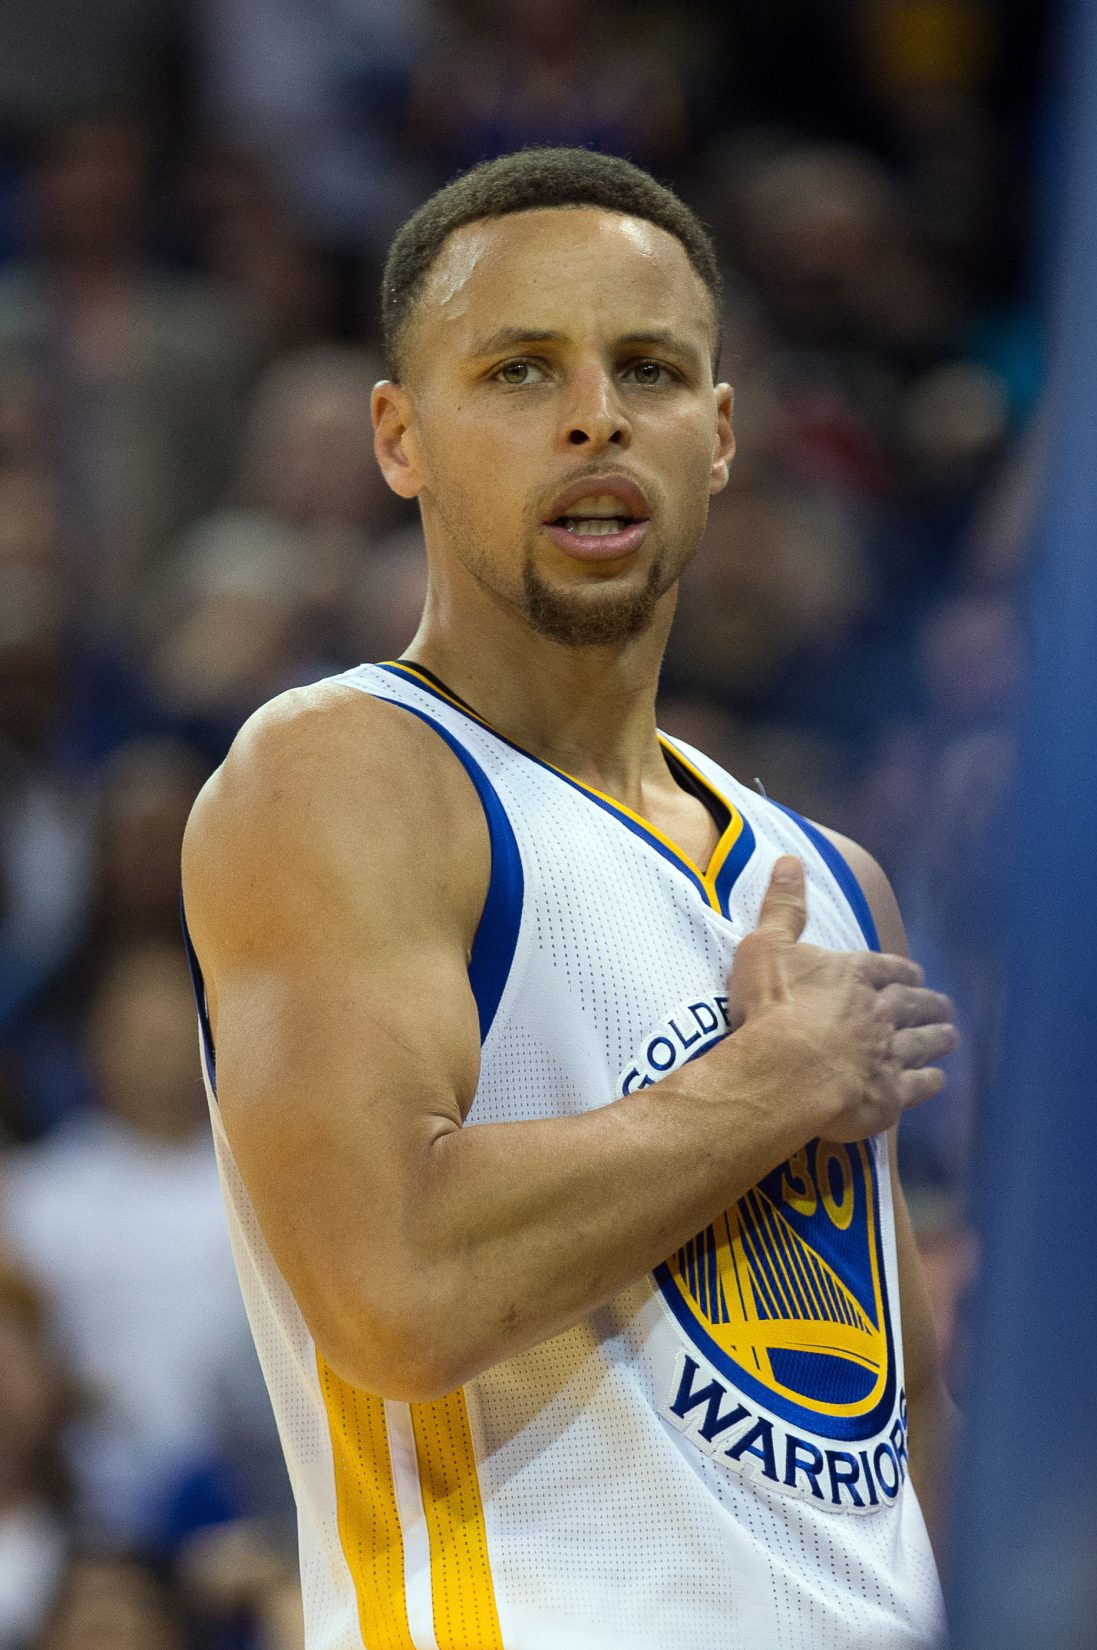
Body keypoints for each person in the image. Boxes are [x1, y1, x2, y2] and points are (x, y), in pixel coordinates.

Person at [181, 148, 959, 1650]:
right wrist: (771, 1080)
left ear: (721, 436)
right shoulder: (345, 771)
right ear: (398, 438)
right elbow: (398, 1288)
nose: (597, 414)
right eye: (523, 369)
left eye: (650, 369)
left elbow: (899, 1405)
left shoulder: (826, 872)